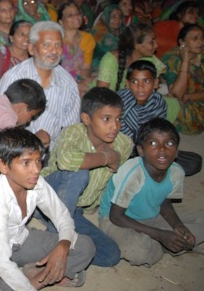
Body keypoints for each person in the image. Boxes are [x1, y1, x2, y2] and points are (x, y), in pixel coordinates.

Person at [0, 127, 95, 291]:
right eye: (26, 163)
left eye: (38, 161)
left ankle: (34, 276)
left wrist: (64, 244)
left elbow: (62, 216)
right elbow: (2, 262)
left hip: (20, 240)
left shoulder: (36, 183)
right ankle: (35, 280)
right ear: (3, 165)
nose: (36, 169)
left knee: (85, 246)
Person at [41, 87, 133, 267]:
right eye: (106, 119)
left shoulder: (124, 143)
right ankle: (54, 235)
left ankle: (59, 244)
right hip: (47, 195)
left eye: (118, 119)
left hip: (74, 210)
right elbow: (67, 161)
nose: (114, 126)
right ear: (86, 118)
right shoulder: (73, 132)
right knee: (78, 171)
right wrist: (106, 158)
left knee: (110, 255)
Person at [98, 118, 204, 266]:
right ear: (141, 150)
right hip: (116, 220)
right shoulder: (133, 174)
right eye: (153, 143)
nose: (162, 149)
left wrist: (178, 226)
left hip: (151, 215)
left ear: (177, 151)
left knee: (200, 223)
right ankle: (165, 245)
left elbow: (164, 201)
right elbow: (116, 216)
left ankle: (167, 243)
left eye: (169, 143)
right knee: (140, 251)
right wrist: (160, 235)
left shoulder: (177, 172)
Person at [0, 21, 80, 150]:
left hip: (52, 154)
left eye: (58, 45)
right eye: (47, 45)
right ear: (31, 49)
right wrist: (31, 142)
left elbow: (71, 130)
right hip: (16, 151)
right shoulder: (14, 78)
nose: (54, 51)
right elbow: (0, 125)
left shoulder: (68, 84)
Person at [96, 23, 164, 92]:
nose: (156, 45)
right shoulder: (110, 60)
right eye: (151, 42)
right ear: (136, 45)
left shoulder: (149, 59)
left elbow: (156, 84)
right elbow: (101, 94)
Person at [163, 24, 204, 135]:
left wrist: (190, 96)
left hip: (195, 98)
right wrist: (185, 61)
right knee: (169, 103)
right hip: (185, 103)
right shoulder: (171, 58)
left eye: (202, 38)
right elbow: (177, 93)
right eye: (195, 38)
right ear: (182, 42)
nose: (200, 42)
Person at [0, 20, 32, 93]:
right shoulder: (1, 56)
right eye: (21, 34)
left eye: (29, 35)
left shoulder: (35, 57)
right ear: (11, 38)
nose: (27, 38)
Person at [58, 2, 95, 87]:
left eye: (78, 13)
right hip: (59, 80)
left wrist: (81, 82)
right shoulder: (56, 39)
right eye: (70, 15)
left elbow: (86, 68)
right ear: (61, 22)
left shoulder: (88, 38)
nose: (76, 17)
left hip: (79, 79)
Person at [91, 4, 123, 69]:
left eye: (119, 17)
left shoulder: (120, 30)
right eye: (113, 17)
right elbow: (116, 51)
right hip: (98, 65)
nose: (117, 20)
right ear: (107, 17)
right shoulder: (99, 32)